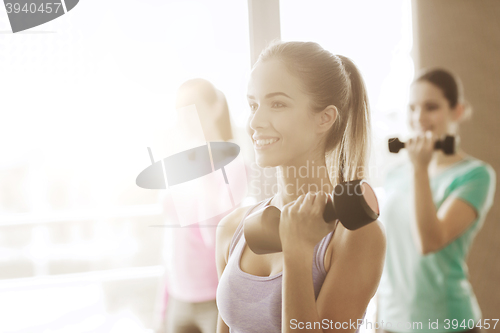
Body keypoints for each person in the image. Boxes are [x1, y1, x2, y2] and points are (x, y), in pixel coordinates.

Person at [215, 41, 386, 333]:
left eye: (277, 104)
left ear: (325, 118)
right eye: (253, 105)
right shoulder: (233, 228)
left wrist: (297, 251)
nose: (255, 122)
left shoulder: (356, 235)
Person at [377, 68, 496, 333]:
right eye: (412, 108)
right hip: (391, 322)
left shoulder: (476, 175)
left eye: (431, 107)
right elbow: (389, 252)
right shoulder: (395, 174)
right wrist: (379, 317)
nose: (419, 118)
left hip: (448, 322)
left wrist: (420, 169)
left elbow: (429, 242)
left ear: (458, 111)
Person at [158, 78, 237, 333]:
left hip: (214, 299)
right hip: (178, 297)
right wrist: (162, 306)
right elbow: (172, 241)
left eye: (192, 107)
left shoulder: (233, 166)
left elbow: (215, 238)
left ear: (214, 108)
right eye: (180, 109)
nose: (185, 117)